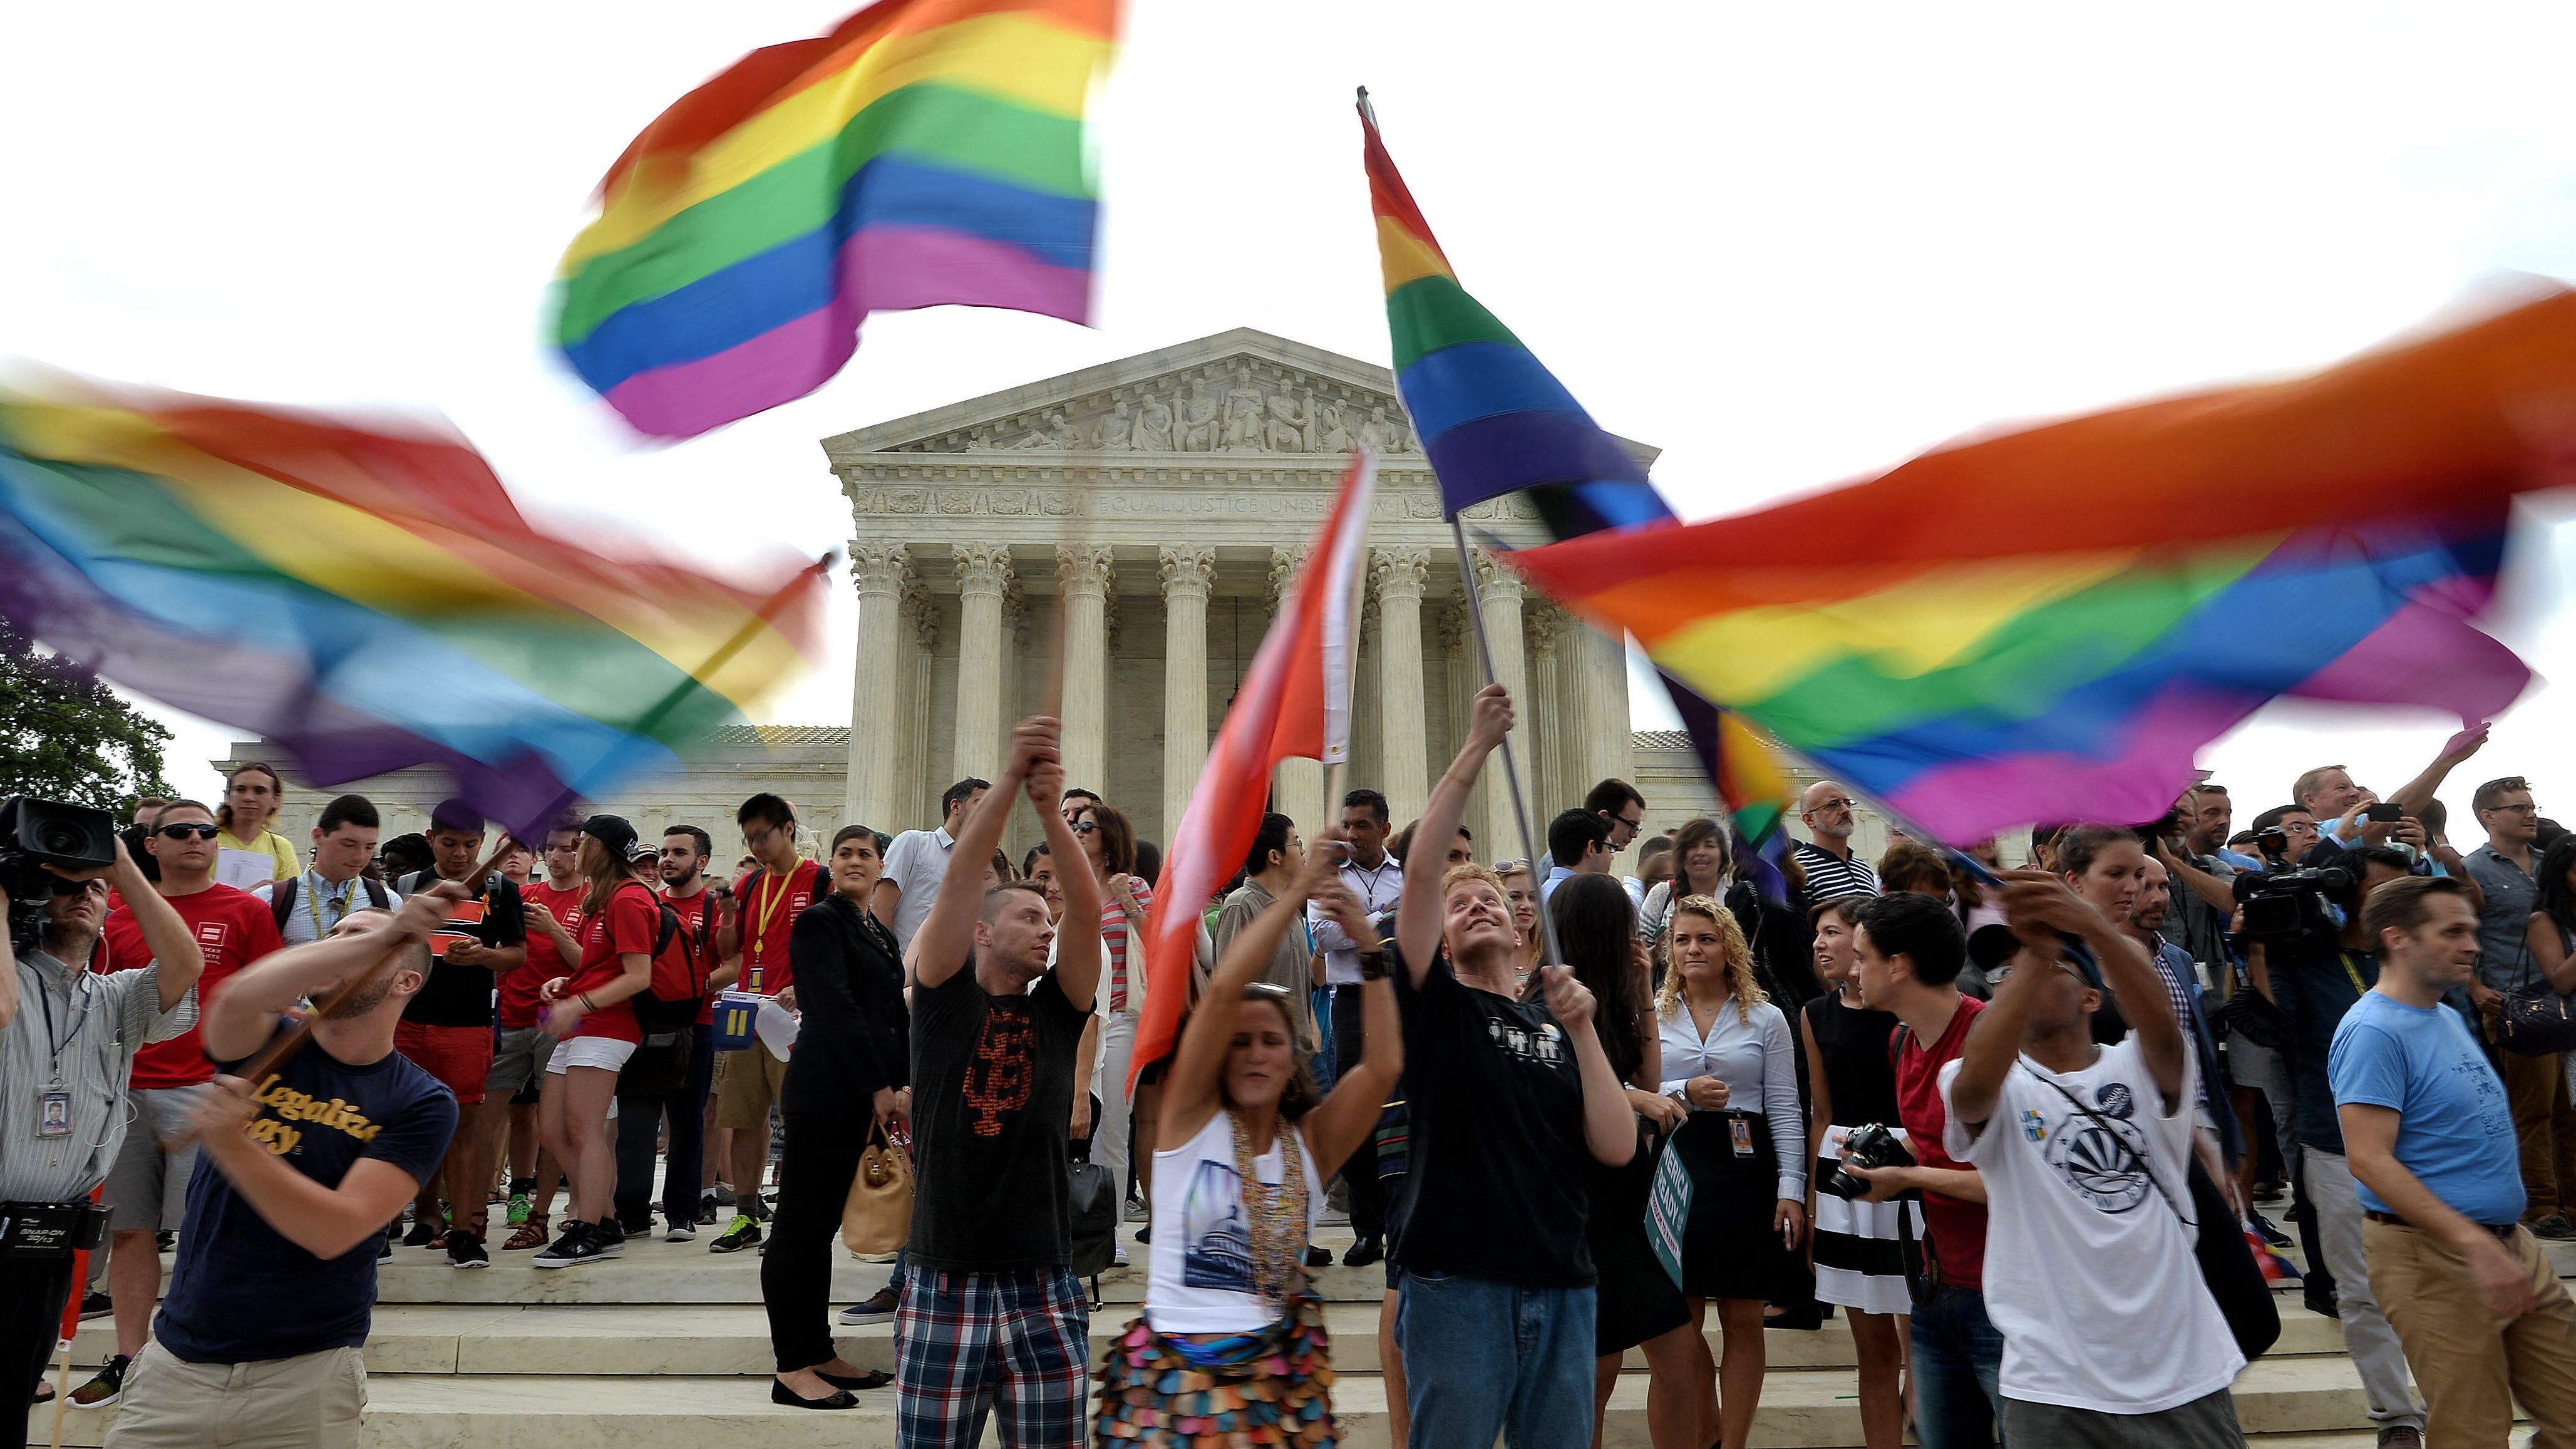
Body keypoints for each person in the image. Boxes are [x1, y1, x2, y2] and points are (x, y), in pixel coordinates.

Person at [103, 894, 460, 1449]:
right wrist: (378, 940)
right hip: (176, 1366)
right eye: (334, 935)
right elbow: (239, 995)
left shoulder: (421, 1101)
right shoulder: (267, 1041)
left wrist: (236, 1143)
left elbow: (335, 1231)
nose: (339, 947)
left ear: (405, 983)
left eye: (363, 939)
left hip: (307, 1378)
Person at [1389, 683, 1637, 1448]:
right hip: (1459, 1283)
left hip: (1562, 1281)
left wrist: (1585, 1030)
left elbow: (1616, 1144)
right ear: (1437, 939)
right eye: (1459, 907)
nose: (1477, 906)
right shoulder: (1438, 1008)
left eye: (1490, 900)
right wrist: (1474, 750)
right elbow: (1424, 872)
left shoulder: (1556, 1022)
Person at [1094, 830, 1401, 1446]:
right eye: (1239, 1040)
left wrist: (1369, 947)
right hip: (1176, 1389)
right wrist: (1295, 897)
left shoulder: (1308, 1146)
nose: (1256, 1052)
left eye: (1270, 1040)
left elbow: (1383, 1066)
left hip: (1274, 1393)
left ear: (1293, 1056)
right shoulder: (1188, 1123)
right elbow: (1228, 985)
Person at [1939, 867, 2245, 1443]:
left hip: (2179, 1369)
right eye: (2000, 973)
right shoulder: (1989, 1080)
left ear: (2090, 996)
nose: (2011, 979)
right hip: (2050, 1380)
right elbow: (1974, 1089)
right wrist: (2040, 949)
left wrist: (2091, 927)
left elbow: (2161, 1028)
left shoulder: (2133, 1066)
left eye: (2037, 967)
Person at [898, 715, 1100, 1449]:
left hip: (1045, 1280)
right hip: (944, 1276)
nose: (1045, 927)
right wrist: (1010, 780)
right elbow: (958, 883)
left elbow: (1086, 911)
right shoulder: (944, 1000)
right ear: (983, 933)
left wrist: (1052, 812)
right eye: (1026, 915)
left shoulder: (1057, 1010)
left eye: (1046, 917)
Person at [2336, 874, 2576, 1446]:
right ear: (2398, 938)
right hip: (2432, 1256)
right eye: (2453, 931)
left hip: (2507, 1245)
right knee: (2473, 1433)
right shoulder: (2374, 1031)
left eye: (2471, 929)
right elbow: (2369, 1160)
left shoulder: (2445, 1014)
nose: (2473, 944)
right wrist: (2471, 1243)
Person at [77, 802, 284, 1411]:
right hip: (125, 1091)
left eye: (204, 830)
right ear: (150, 844)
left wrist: (246, 1079)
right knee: (131, 1231)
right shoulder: (112, 914)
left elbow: (271, 997)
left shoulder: (246, 909)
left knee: (205, 1231)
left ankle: (195, 1353)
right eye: (179, 830)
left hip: (207, 1086)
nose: (196, 838)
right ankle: (128, 1358)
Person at [2, 839, 202, 1411]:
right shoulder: (9, 978)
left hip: (49, 1233)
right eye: (64, 884)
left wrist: (122, 867)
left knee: (15, 1395)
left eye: (93, 887)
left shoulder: (117, 995)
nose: (82, 895)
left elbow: (186, 964)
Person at [1841, 891, 1996, 1449]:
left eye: (1863, 957)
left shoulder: (1988, 1043)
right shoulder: (1902, 1041)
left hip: (2004, 1292)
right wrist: (1894, 1158)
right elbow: (1943, 1149)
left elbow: (2020, 1185)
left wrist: (1908, 1179)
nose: (1853, 970)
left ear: (1899, 965)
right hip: (1936, 1288)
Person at [762, 825, 906, 1408]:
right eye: (844, 853)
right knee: (798, 1228)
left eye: (864, 854)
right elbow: (834, 1005)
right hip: (826, 1092)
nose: (853, 861)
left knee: (819, 1230)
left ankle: (818, 1351)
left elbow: (888, 1014)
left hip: (861, 1093)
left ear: (880, 867)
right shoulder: (820, 921)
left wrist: (900, 1083)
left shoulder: (879, 931)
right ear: (830, 863)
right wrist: (878, 1083)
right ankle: (791, 1367)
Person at [1656, 892, 1805, 1449]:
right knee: (1681, 1319)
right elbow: (1630, 1088)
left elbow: (1788, 1107)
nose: (1694, 949)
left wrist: (1792, 1189)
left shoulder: (1765, 1017)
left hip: (1747, 1169)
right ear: (1669, 949)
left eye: (1706, 938)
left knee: (1743, 1317)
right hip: (1678, 1166)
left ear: (1729, 947)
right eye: (1683, 939)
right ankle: (1704, 1430)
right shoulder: (1655, 1011)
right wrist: (1681, 1090)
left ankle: (1734, 1442)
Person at [1554, 874, 1696, 1449]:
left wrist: (1642, 988)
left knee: (1676, 1360)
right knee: (1596, 1373)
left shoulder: (1608, 997)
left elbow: (1650, 1077)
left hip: (1626, 1205)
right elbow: (1590, 1090)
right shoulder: (1551, 1003)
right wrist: (1631, 1098)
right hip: (1586, 1206)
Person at [388, 799, 524, 1270]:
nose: (461, 854)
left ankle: (466, 1229)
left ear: (483, 843)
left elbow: (518, 954)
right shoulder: (407, 887)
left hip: (468, 1024)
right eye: (450, 844)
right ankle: (422, 1217)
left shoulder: (501, 889)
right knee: (404, 1122)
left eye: (470, 845)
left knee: (465, 1129)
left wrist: (486, 956)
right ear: (431, 840)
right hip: (406, 1020)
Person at [1800, 895, 1914, 1449]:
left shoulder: (1909, 1009)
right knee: (1873, 1350)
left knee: (1925, 1347)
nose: (1821, 943)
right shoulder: (1814, 1014)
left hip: (1915, 1173)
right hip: (1842, 1176)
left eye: (1832, 932)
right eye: (1817, 934)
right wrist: (1811, 1200)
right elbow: (1820, 1112)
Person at [528, 815, 656, 1269]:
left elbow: (639, 977)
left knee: (585, 1129)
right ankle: (603, 1219)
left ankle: (588, 1228)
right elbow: (602, 966)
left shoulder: (630, 898)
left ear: (600, 848)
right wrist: (567, 983)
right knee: (553, 1129)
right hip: (584, 1022)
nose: (574, 850)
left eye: (581, 843)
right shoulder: (603, 899)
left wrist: (576, 1003)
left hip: (609, 1026)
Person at [2460, 775, 2576, 1239]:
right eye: (2517, 807)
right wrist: (2473, 988)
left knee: (2569, 1112)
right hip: (2520, 1007)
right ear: (2489, 816)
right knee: (2533, 1111)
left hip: (2568, 1004)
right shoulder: (2473, 869)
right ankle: (2542, 1205)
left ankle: (2569, 1202)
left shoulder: (2554, 863)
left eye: (2531, 806)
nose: (2530, 814)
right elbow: (2462, 932)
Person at [706, 793, 820, 1253]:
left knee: (799, 1118)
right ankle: (747, 1217)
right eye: (749, 837)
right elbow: (729, 951)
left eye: (763, 835)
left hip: (794, 1017)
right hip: (746, 1011)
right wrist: (730, 915)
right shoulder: (752, 884)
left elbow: (834, 947)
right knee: (743, 1117)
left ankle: (796, 1219)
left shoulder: (819, 880)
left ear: (789, 829)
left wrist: (806, 988)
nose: (756, 845)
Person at [1307, 786, 1405, 1269]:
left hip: (1398, 1000)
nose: (1351, 834)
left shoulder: (1406, 875)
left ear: (1384, 829)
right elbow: (1323, 936)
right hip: (1349, 1002)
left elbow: (1411, 927)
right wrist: (1380, 918)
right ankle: (1371, 1228)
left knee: (1399, 1110)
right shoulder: (1328, 877)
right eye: (1347, 824)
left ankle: (1399, 1219)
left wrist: (1358, 922)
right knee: (1353, 1118)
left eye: (1362, 825)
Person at [612, 825, 719, 1240]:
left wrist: (689, 990)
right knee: (636, 1125)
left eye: (679, 852)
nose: (667, 860)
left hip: (698, 1026)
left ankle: (682, 1212)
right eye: (665, 853)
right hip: (645, 1027)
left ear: (702, 861)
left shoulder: (714, 908)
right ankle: (632, 1211)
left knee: (688, 1123)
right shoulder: (646, 905)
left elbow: (733, 962)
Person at [495, 817, 581, 1249]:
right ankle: (470, 1216)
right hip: (511, 1015)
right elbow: (501, 951)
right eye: (551, 848)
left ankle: (541, 1214)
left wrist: (554, 930)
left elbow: (594, 965)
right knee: (486, 1118)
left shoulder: (595, 900)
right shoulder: (524, 894)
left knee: (555, 1125)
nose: (557, 856)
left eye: (568, 848)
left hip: (560, 1024)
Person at [1069, 797, 1150, 1243]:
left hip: (1119, 1016)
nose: (1078, 833)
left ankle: (1109, 1230)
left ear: (1108, 838)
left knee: (1111, 1125)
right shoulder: (1068, 884)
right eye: (1076, 827)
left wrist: (1126, 901)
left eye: (1086, 828)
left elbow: (1160, 944)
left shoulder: (1133, 887)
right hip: (1073, 1018)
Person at [1210, 813, 1319, 1054]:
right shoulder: (1241, 906)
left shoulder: (1291, 910)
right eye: (1297, 843)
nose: (1303, 852)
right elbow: (1229, 990)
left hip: (1303, 1053)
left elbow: (1307, 982)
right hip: (1264, 1055)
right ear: (1275, 856)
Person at [253, 796, 391, 947]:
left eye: (370, 847)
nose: (360, 857)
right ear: (318, 836)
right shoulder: (269, 900)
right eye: (349, 845)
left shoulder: (388, 902)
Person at [876, 777, 990, 947]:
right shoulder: (914, 843)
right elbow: (881, 906)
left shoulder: (980, 868)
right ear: (956, 806)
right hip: (901, 964)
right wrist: (888, 962)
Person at [211, 762, 299, 884]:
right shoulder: (205, 838)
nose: (249, 798)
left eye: (259, 791)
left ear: (275, 799)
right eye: (240, 790)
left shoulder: (281, 847)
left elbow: (290, 896)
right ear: (228, 797)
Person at [1793, 781, 1880, 900]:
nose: (1845, 810)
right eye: (1833, 805)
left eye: (1848, 803)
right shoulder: (1798, 869)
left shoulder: (1862, 868)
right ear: (1810, 819)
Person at [1584, 777, 1649, 906]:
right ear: (1604, 817)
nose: (1635, 834)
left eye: (1637, 828)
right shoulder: (1570, 862)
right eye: (1631, 825)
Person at [1543, 807, 1614, 905]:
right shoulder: (1587, 899)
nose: (1611, 857)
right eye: (1609, 848)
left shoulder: (1539, 894)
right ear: (1591, 848)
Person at [1495, 858, 1546, 980]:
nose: (1526, 906)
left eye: (1533, 897)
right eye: (1515, 897)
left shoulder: (1551, 956)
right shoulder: (1480, 960)